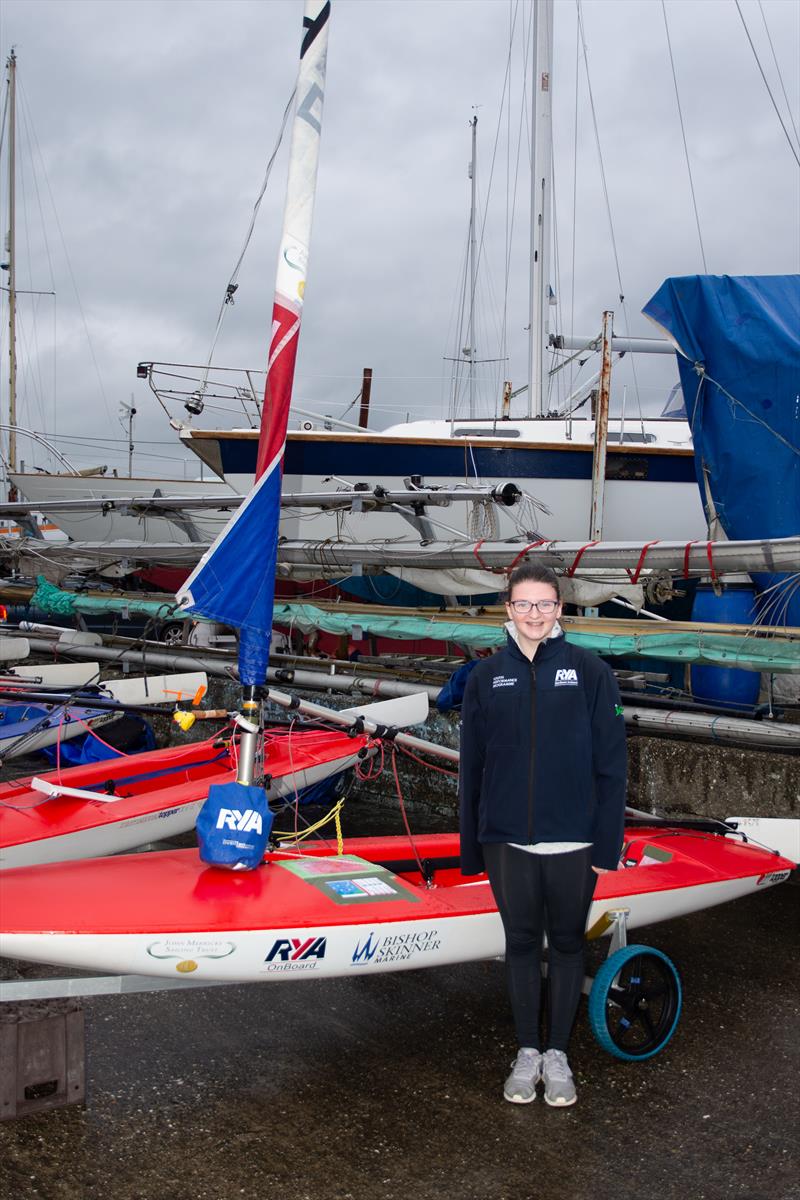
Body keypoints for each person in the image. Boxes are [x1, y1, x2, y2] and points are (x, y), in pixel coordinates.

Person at [458, 562, 627, 1106]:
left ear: (560, 609)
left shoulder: (591, 671)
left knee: (570, 942)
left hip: (574, 840)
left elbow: (612, 764)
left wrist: (606, 844)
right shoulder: (485, 677)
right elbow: (474, 767)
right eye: (523, 604)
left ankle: (558, 1054)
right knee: (523, 944)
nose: (535, 614)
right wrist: (471, 847)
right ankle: (527, 1050)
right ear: (508, 609)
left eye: (545, 604)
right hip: (506, 840)